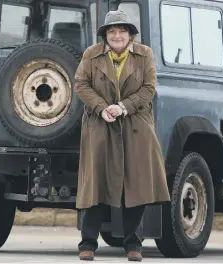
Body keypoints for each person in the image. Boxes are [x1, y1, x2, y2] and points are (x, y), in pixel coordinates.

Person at [74, 9, 171, 262]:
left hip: (135, 124)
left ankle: (133, 246)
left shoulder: (145, 54)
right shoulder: (91, 55)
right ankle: (87, 244)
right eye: (112, 31)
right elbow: (81, 84)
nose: (117, 35)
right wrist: (101, 107)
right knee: (95, 184)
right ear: (105, 35)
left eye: (122, 30)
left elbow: (149, 88)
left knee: (135, 186)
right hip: (99, 124)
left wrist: (124, 106)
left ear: (130, 35)